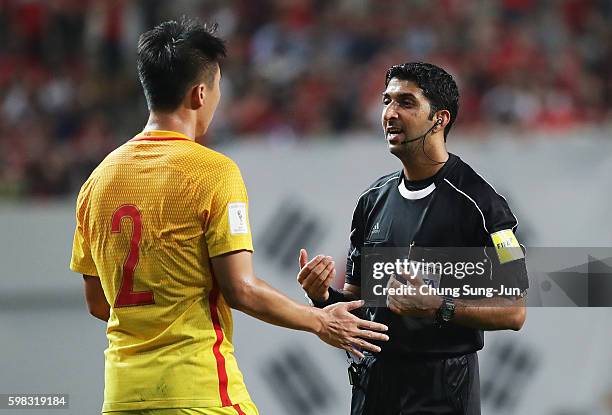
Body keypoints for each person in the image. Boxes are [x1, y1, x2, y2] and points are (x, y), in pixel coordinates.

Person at [69, 18, 388, 415]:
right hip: (200, 393)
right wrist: (320, 322)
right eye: (218, 88)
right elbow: (242, 289)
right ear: (200, 93)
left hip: (122, 397)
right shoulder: (212, 172)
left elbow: (99, 303)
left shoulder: (97, 182)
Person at [298, 62, 529, 415]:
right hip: (372, 389)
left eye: (406, 102)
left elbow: (515, 311)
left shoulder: (483, 205)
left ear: (440, 119)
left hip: (442, 391)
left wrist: (439, 307)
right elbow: (358, 305)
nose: (390, 113)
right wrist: (322, 296)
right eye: (386, 101)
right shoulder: (371, 201)